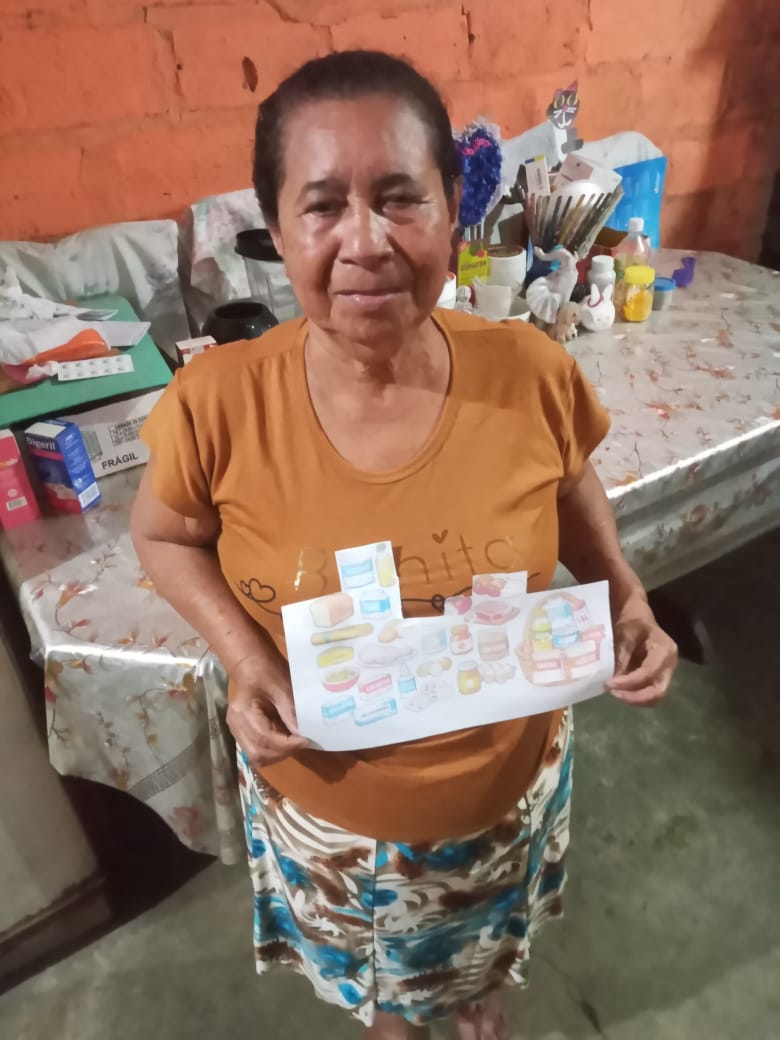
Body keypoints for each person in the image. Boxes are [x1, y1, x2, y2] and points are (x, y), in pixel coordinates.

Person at [131, 50, 677, 1040]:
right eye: (322, 206)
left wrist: (625, 592)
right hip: (332, 814)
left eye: (399, 198)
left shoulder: (528, 370)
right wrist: (246, 661)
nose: (366, 242)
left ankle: (471, 982)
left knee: (483, 936)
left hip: (508, 782)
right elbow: (163, 535)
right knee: (384, 989)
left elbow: (568, 481)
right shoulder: (218, 403)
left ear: (453, 208)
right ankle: (395, 1015)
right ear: (276, 229)